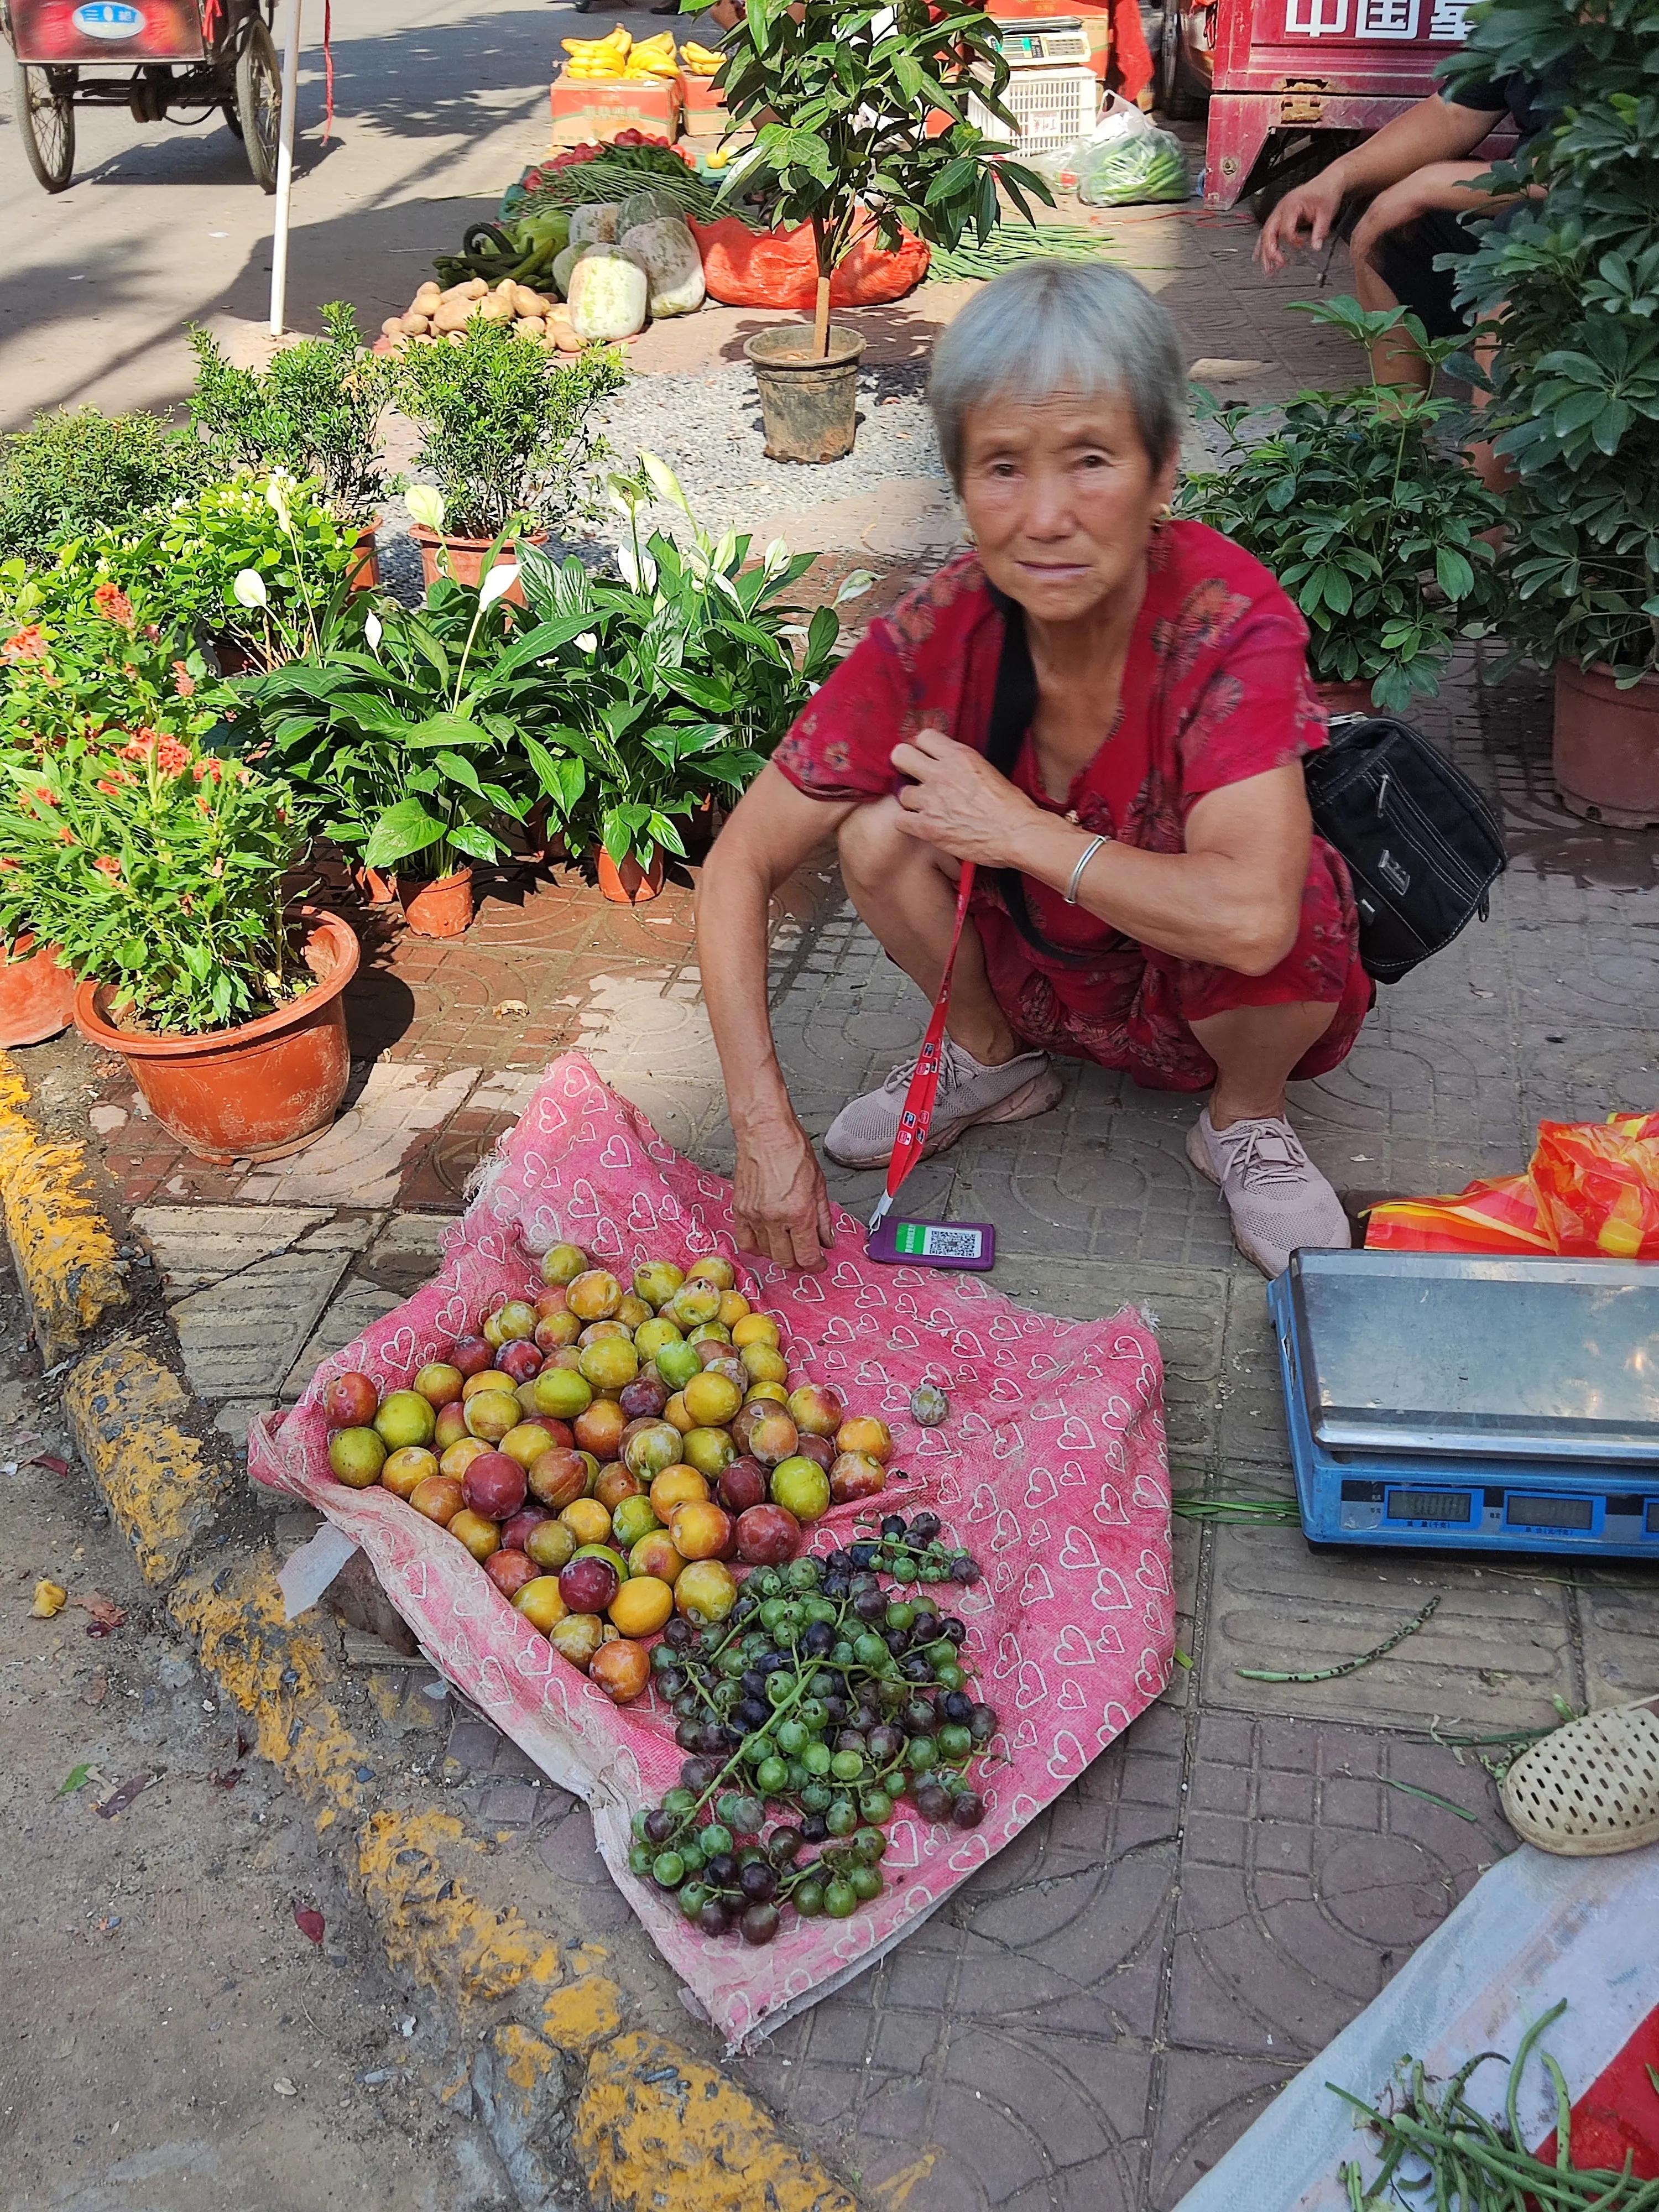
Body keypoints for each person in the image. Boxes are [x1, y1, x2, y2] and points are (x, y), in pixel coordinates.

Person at [693, 262, 1373, 1279]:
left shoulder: (1226, 621)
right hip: (1048, 966)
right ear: (963, 486)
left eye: (1091, 459)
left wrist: (1020, 832)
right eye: (1003, 466)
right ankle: (992, 1060)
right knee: (877, 831)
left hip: (1208, 979)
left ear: (1162, 472)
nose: (1046, 517)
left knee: (1298, 887)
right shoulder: (939, 633)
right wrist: (762, 1129)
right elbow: (737, 868)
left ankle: (1243, 1121)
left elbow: (1251, 924)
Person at [1255, 69, 1554, 393]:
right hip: (1523, 190)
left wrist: (1425, 186)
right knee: (1387, 228)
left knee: (1512, 252)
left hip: (1581, 220)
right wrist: (1336, 178)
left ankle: (1490, 424)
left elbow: (1574, 172)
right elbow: (1453, 115)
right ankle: (1398, 421)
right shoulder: (1514, 37)